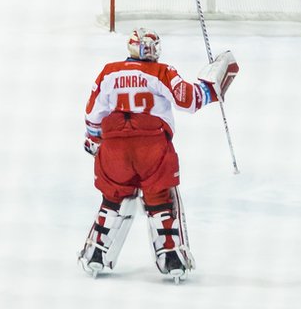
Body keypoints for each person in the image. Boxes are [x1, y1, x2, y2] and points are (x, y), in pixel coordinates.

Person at [80, 27, 238, 280]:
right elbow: (189, 100)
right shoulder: (162, 72)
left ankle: (96, 253)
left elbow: (92, 113)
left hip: (114, 147)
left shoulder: (109, 72)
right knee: (161, 201)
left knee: (112, 198)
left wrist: (93, 139)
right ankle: (172, 257)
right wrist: (211, 88)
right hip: (152, 147)